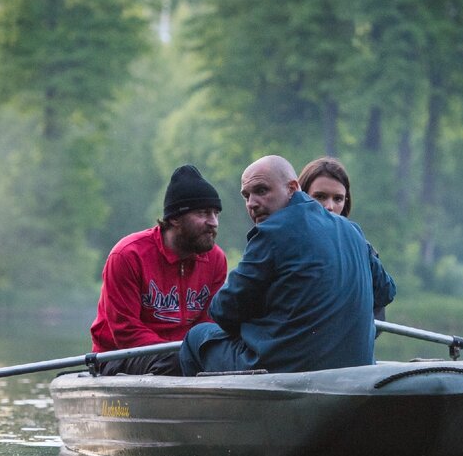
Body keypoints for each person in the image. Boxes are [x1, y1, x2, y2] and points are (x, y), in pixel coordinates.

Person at [179, 155, 395, 376]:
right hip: (356, 370)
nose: (252, 203)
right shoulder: (354, 232)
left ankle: (206, 411)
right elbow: (386, 292)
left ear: (293, 188)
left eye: (262, 191)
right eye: (247, 195)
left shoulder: (272, 232)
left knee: (197, 336)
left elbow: (223, 311)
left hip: (285, 372)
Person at [90, 164, 227, 375]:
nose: (213, 222)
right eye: (203, 213)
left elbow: (207, 324)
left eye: (216, 213)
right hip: (120, 355)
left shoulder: (216, 259)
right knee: (175, 362)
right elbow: (126, 332)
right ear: (174, 218)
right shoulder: (128, 255)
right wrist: (182, 353)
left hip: (183, 355)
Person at [298, 156, 389, 323]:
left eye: (337, 199)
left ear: (346, 201)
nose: (330, 206)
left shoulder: (360, 247)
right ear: (301, 196)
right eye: (320, 196)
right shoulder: (284, 240)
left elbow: (380, 305)